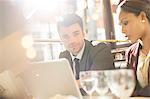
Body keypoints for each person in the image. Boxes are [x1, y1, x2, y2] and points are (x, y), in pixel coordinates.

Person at [57, 14, 115, 94]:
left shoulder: (100, 50)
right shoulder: (63, 57)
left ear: (84, 33)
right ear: (60, 39)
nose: (71, 41)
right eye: (65, 36)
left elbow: (94, 78)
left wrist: (64, 86)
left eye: (76, 34)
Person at [118, 0, 150, 96]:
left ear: (142, 17)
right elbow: (130, 88)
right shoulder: (131, 52)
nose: (122, 31)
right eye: (121, 25)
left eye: (126, 23)